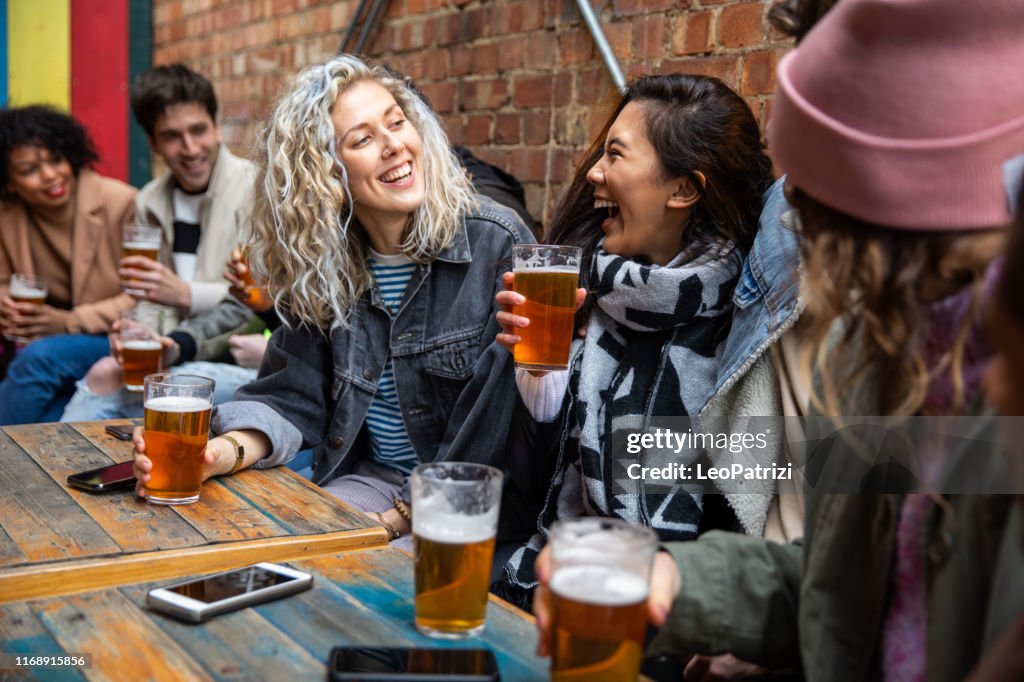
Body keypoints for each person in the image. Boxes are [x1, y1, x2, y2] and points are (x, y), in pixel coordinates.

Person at [531, 2, 1024, 680]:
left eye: (817, 216)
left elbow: (746, 467)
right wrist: (672, 576)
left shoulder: (780, 317)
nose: (795, 231)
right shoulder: (886, 342)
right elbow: (851, 589)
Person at [130, 55, 534, 549]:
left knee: (355, 578)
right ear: (326, 176)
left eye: (397, 123)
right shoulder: (324, 264)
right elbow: (290, 396)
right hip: (376, 478)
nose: (394, 146)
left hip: (471, 501)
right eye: (362, 140)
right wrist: (219, 453)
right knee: (250, 545)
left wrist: (398, 519)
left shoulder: (494, 243)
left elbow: (501, 431)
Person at [493, 73, 775, 605]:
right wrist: (540, 375)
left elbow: (742, 506)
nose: (595, 172)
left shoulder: (742, 330)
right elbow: (525, 493)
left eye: (616, 156)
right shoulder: (582, 288)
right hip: (548, 576)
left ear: (684, 189)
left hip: (671, 608)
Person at [55, 64, 257, 420]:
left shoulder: (255, 188)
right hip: (176, 350)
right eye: (172, 136)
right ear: (153, 142)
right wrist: (140, 330)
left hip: (236, 356)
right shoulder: (150, 201)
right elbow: (148, 298)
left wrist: (184, 295)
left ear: (217, 126)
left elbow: (261, 303)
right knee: (104, 370)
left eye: (198, 130)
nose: (190, 148)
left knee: (116, 379)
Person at [0, 106, 136, 423]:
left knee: (38, 360)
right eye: (29, 170)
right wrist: (6, 303)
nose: (50, 175)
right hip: (42, 340)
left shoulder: (120, 202)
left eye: (56, 159)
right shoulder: (7, 215)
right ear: (8, 183)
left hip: (112, 334)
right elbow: (3, 281)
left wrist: (68, 321)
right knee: (49, 412)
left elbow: (144, 297)